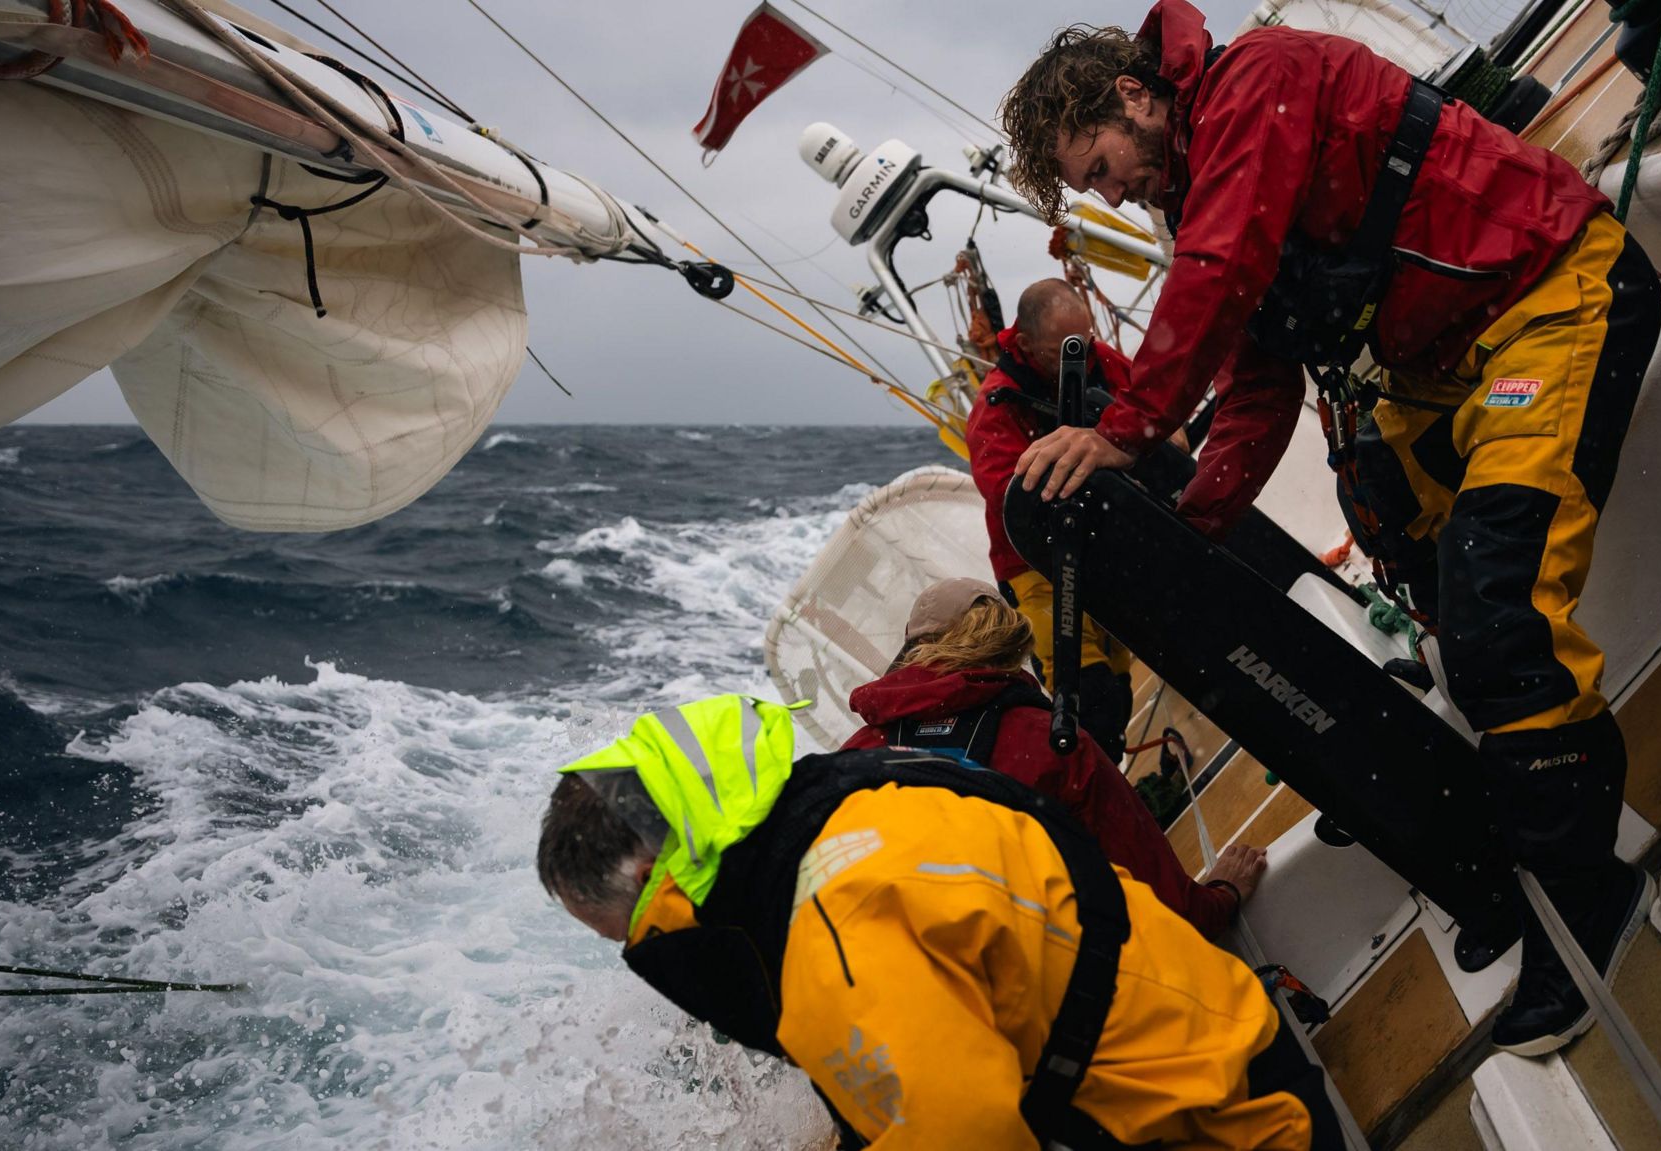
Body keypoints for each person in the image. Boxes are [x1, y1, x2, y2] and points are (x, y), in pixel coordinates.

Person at [998, 1, 1661, 1056]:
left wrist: (1126, 432)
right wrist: (1193, 525)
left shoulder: (1260, 82)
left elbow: (1217, 270)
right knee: (1416, 564)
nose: (1110, 193)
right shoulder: (1206, 180)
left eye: (1099, 166)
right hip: (1453, 367)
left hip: (1554, 297)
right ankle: (1530, 801)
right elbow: (1258, 379)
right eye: (1089, 189)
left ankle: (1592, 898)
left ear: (1130, 97)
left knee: (1498, 622)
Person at [538, 692, 1325, 1149]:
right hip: (1211, 1040)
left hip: (1229, 1125)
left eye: (625, 935)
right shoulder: (862, 801)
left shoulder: (831, 939)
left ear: (651, 879)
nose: (643, 954)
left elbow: (965, 1134)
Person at [842, 576, 1268, 940]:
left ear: (911, 653)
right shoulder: (1050, 741)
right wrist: (1221, 895)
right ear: (1008, 642)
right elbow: (1169, 912)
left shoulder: (855, 756)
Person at [966, 279, 1137, 761]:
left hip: (1106, 549)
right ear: (1023, 346)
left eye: (1083, 344)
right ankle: (1091, 793)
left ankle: (1111, 774)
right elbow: (1008, 497)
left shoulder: (1100, 360)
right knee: (1086, 695)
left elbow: (1156, 415)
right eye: (1063, 353)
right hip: (1037, 567)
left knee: (1119, 690)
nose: (1078, 362)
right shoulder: (994, 412)